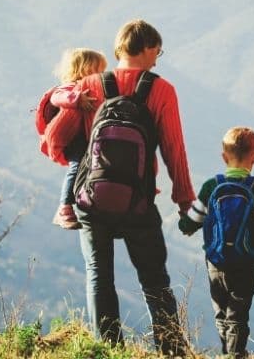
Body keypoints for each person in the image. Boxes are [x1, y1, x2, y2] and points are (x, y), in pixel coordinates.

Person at [58, 19, 195, 356]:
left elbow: (55, 138)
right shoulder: (162, 90)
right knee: (154, 278)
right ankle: (171, 349)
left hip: (92, 199)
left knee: (98, 275)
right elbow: (173, 149)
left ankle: (109, 350)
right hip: (138, 202)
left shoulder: (89, 84)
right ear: (147, 48)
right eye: (157, 51)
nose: (157, 58)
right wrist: (184, 199)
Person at [178, 126, 254, 358]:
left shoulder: (210, 187)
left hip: (216, 263)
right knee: (239, 314)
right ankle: (235, 353)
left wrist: (185, 221)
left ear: (224, 156)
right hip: (246, 262)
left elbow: (189, 224)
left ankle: (228, 351)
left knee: (221, 312)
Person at [43, 48, 106, 229]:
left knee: (89, 168)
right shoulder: (70, 87)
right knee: (77, 166)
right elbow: (57, 98)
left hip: (87, 136)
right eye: (98, 71)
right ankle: (64, 208)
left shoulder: (93, 88)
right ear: (84, 70)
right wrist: (76, 99)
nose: (101, 75)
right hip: (73, 137)